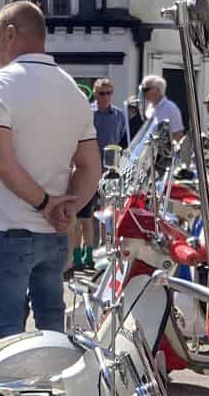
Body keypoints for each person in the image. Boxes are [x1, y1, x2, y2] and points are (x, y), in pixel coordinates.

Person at [0, 1, 102, 339]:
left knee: (6, 337)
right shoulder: (74, 91)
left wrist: (46, 203)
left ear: (10, 34)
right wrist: (67, 209)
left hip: (10, 229)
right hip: (54, 235)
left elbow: (2, 163)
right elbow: (91, 166)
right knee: (52, 329)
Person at [69, 79, 129, 272]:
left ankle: (98, 254)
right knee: (82, 218)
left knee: (108, 216)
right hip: (87, 171)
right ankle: (79, 256)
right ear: (95, 94)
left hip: (110, 174)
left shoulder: (119, 115)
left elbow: (121, 142)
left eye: (109, 93)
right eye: (102, 93)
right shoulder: (88, 113)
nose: (106, 97)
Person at [141, 74, 185, 142]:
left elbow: (178, 134)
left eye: (146, 89)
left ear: (158, 89)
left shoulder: (170, 108)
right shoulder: (149, 108)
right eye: (142, 89)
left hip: (163, 151)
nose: (143, 92)